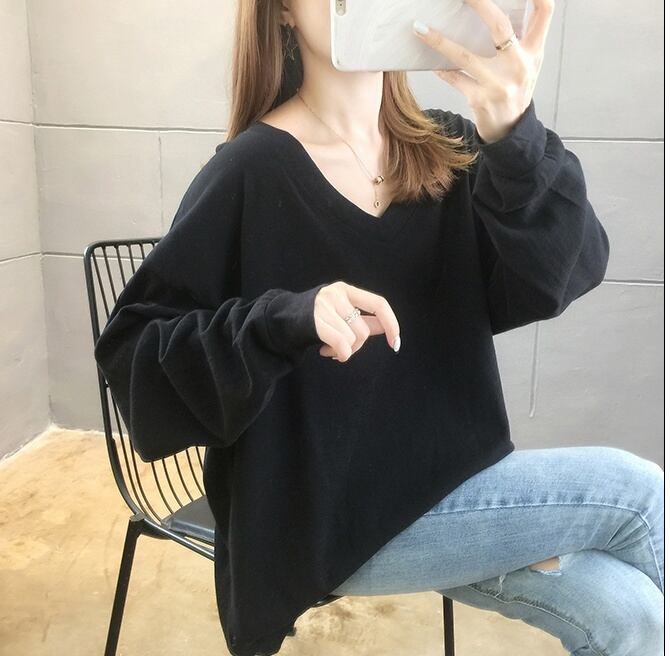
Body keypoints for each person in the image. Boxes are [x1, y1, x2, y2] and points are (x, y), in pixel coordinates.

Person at [93, 0, 662, 654]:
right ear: (282, 12)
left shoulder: (447, 149)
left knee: (633, 614)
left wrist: (514, 135)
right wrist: (281, 319)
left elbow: (562, 272)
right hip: (327, 520)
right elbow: (135, 355)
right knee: (640, 493)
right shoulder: (249, 171)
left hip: (456, 480)